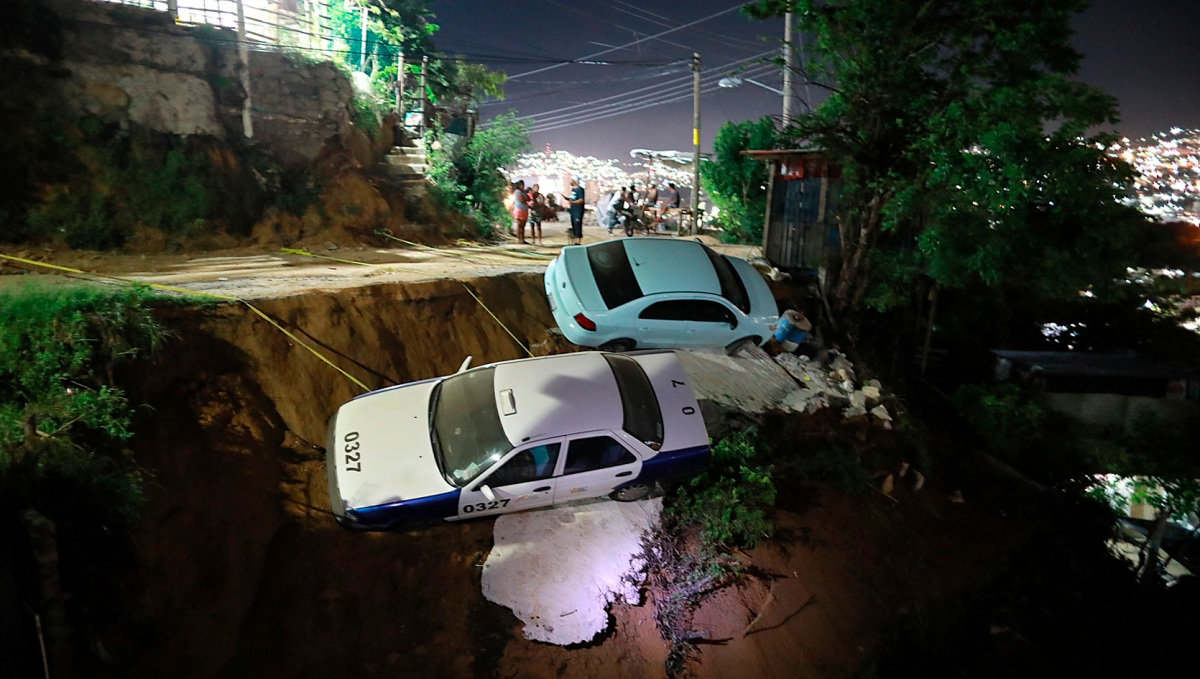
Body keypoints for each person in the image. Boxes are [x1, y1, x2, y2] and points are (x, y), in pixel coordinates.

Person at [565, 179, 585, 245]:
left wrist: (573, 202)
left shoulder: (580, 190)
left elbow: (581, 200)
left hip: (578, 210)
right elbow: (573, 198)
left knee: (577, 225)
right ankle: (576, 240)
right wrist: (567, 199)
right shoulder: (573, 189)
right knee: (574, 225)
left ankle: (578, 241)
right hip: (572, 210)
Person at [511, 180, 529, 244]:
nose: (523, 186)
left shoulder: (523, 192)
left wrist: (525, 197)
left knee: (523, 225)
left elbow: (528, 199)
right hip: (519, 209)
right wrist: (525, 198)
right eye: (522, 185)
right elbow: (521, 200)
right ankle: (519, 239)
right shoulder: (517, 192)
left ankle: (522, 239)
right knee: (519, 225)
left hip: (524, 210)